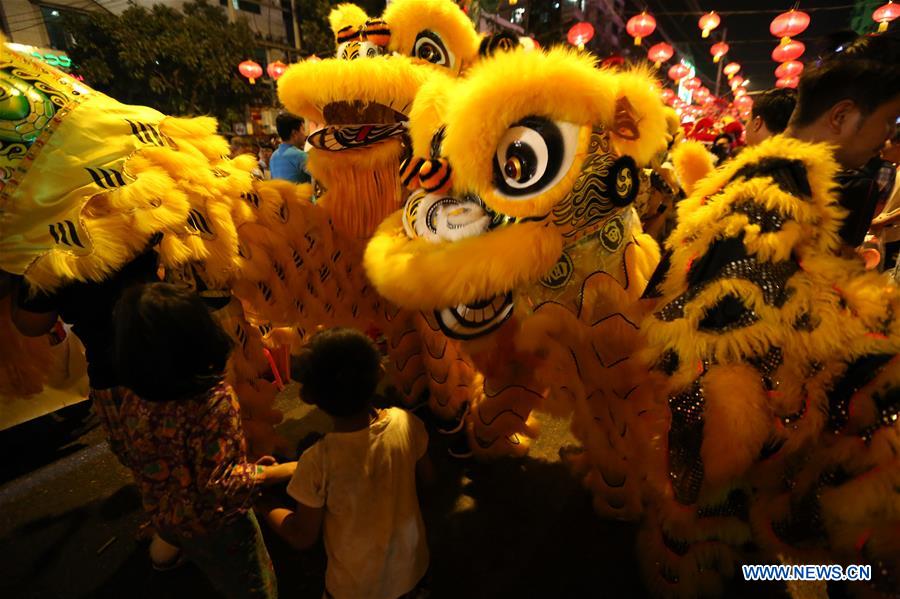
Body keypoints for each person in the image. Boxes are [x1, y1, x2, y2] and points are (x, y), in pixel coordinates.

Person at [113, 282, 295, 598]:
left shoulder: (133, 397)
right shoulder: (214, 400)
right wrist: (282, 471)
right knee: (250, 583)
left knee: (206, 563)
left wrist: (246, 465)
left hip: (166, 510)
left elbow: (170, 458)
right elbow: (220, 484)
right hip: (215, 524)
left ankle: (167, 555)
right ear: (198, 336)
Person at [260, 328, 433, 599]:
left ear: (307, 397)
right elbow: (427, 479)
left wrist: (263, 503)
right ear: (379, 371)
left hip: (356, 589)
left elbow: (301, 535)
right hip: (413, 571)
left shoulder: (317, 461)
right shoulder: (405, 422)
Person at [270, 113, 311, 184]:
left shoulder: (273, 156)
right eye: (303, 129)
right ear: (294, 133)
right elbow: (323, 177)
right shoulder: (299, 155)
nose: (305, 134)